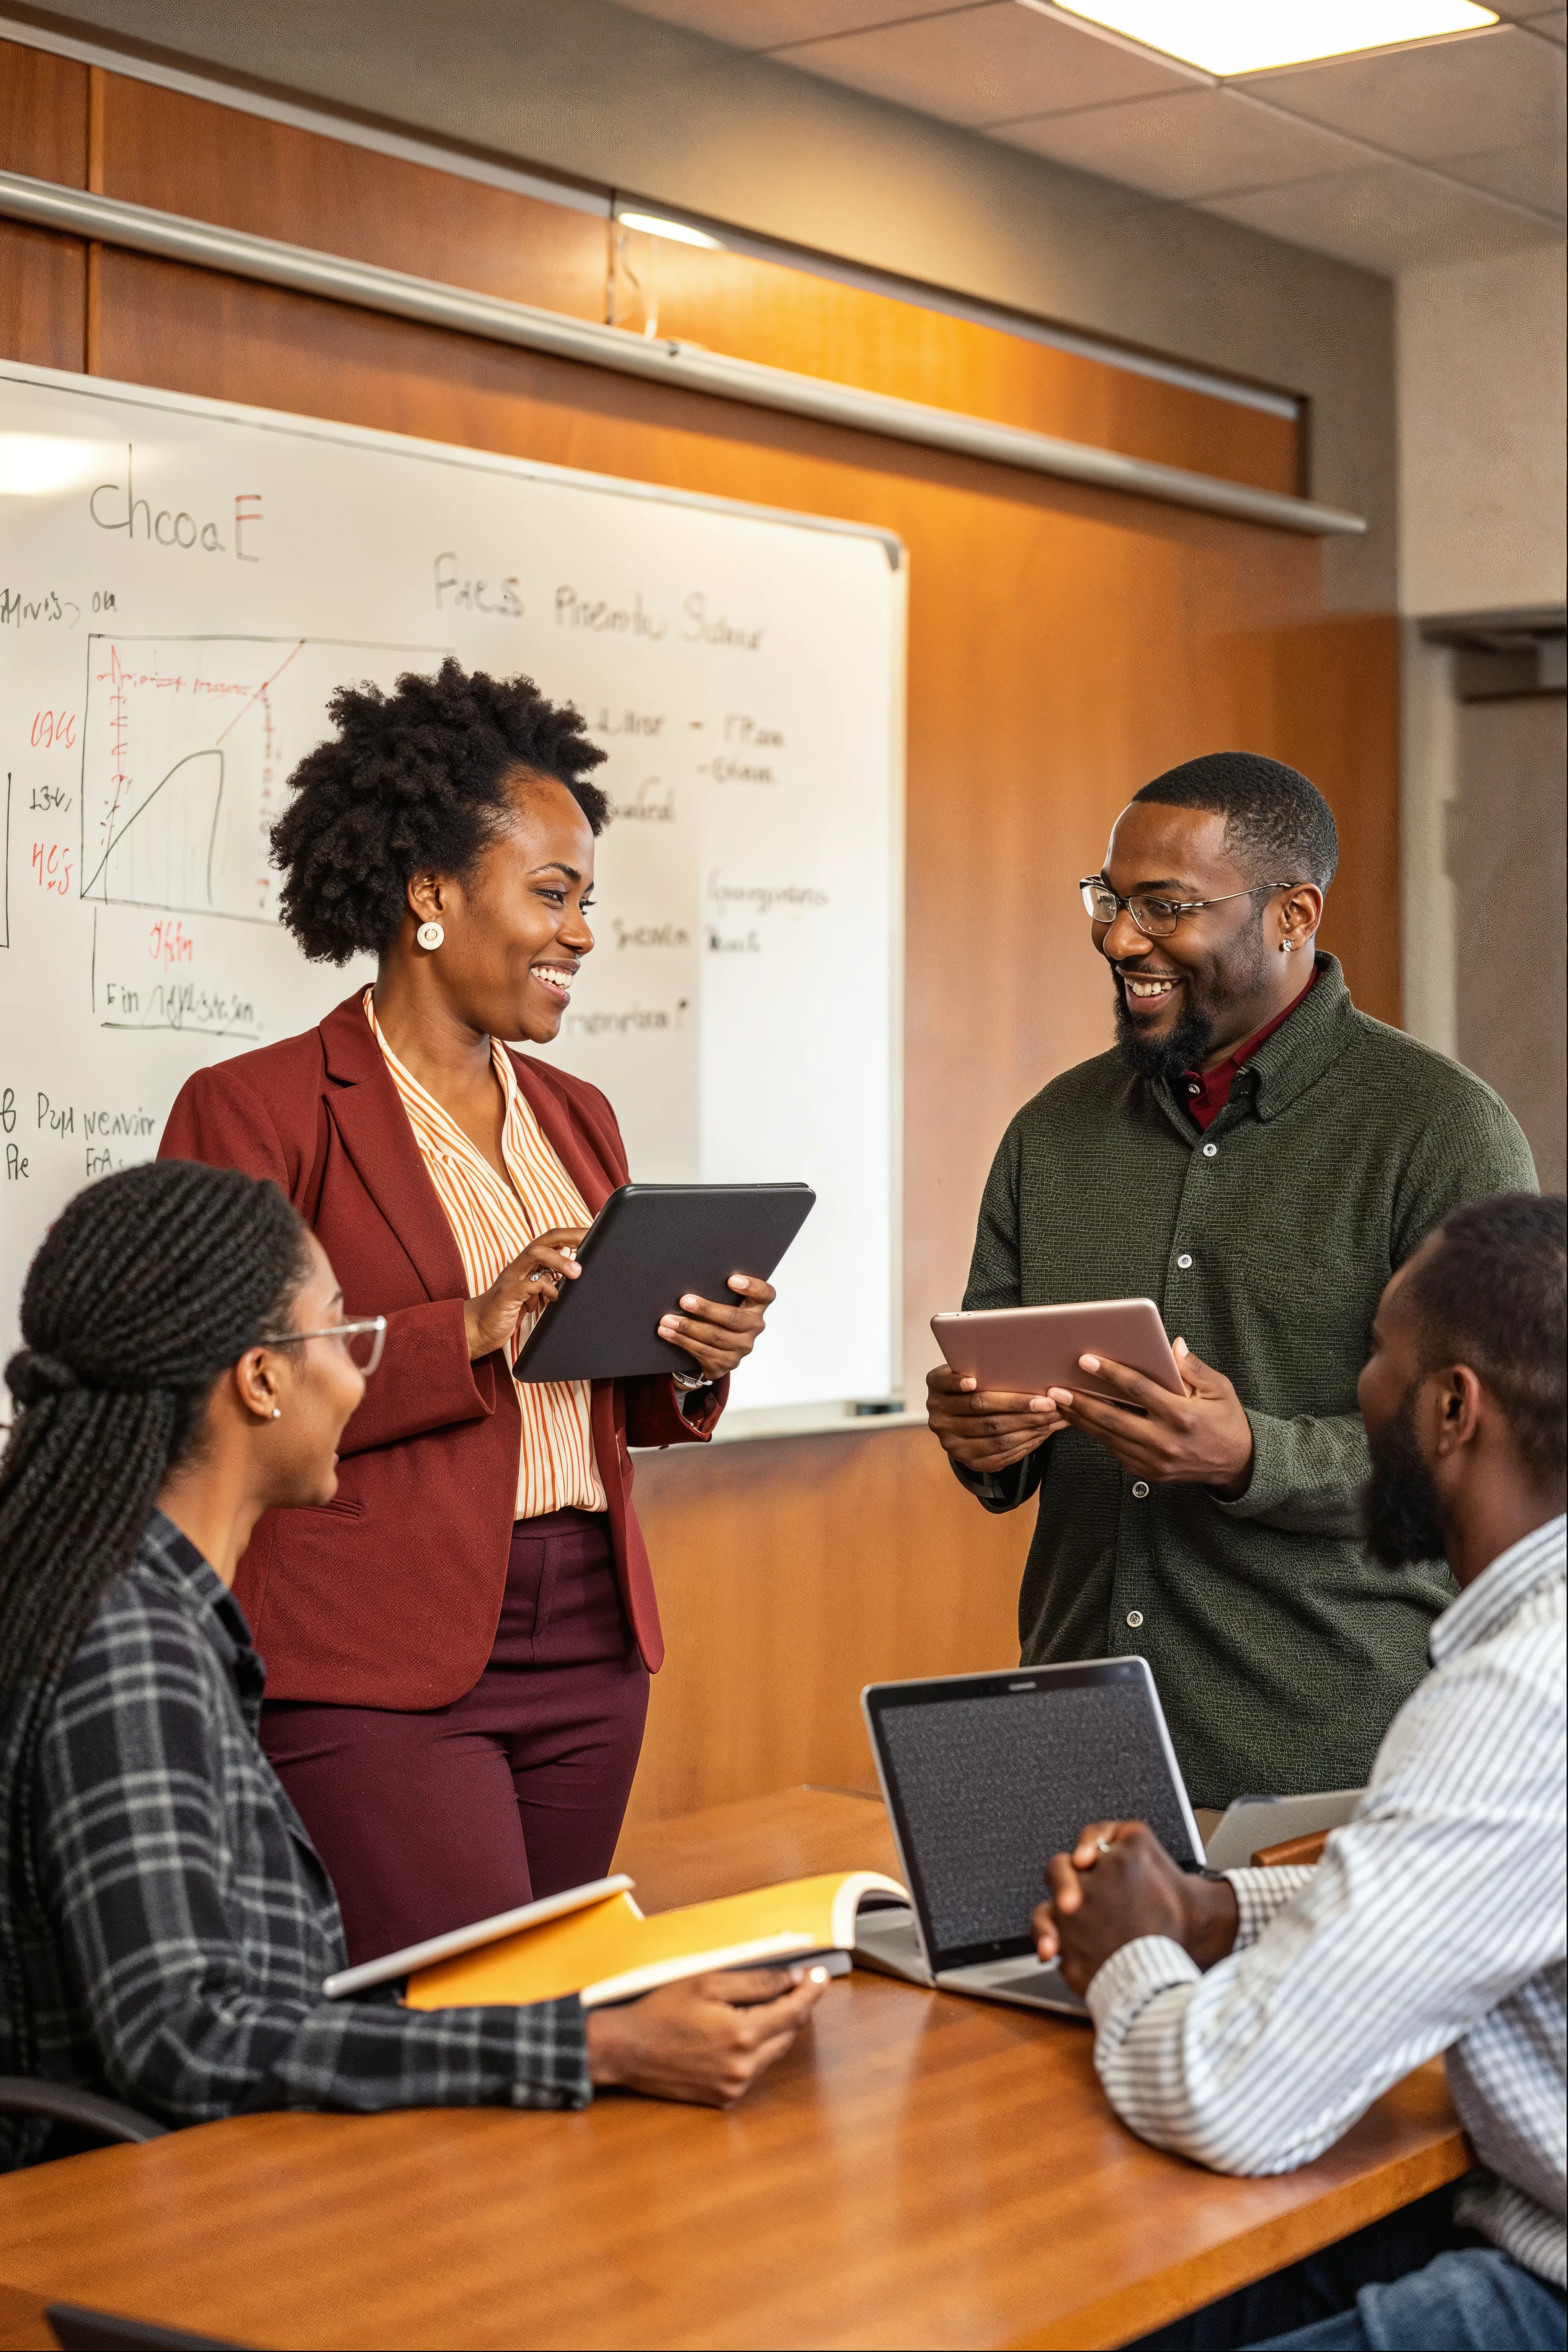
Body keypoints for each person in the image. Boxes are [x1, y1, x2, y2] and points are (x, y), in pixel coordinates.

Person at [0, 1161, 825, 2171]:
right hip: (176, 2215)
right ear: (261, 1380)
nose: (361, 1375)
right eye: (343, 1332)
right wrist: (595, 2045)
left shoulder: (125, 1596)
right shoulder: (130, 1643)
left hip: (225, 2175)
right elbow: (186, 2040)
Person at [160, 661, 778, 1965]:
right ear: (430, 897)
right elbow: (215, 1396)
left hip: (593, 1639)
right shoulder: (259, 1110)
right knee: (476, 2026)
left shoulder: (578, 1117)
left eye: (587, 900)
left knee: (553, 2004)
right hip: (376, 1658)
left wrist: (693, 1364)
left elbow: (602, 1386)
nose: (583, 934)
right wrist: (468, 1325)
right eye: (552, 895)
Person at [926, 751, 1537, 1807]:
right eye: (1110, 900)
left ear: (1293, 915)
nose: (1121, 939)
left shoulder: (1441, 1132)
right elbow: (1000, 1416)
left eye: (1164, 907)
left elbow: (1496, 1461)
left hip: (1327, 1767)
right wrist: (982, 1438)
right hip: (1079, 1739)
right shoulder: (1053, 1133)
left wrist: (1254, 1452)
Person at [1031, 1192, 1566, 2352]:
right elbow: (1470, 1881)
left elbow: (1231, 2099)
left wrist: (1130, 1954)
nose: (1361, 1394)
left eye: (1377, 1357)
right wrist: (1218, 1911)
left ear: (1453, 1408)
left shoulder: (1520, 1697)